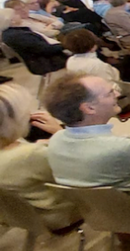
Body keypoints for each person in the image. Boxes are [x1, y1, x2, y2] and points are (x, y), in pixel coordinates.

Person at [44, 74, 130, 227]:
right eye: (109, 93)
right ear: (89, 108)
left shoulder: (55, 141)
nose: (117, 94)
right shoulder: (122, 148)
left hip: (103, 216)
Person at [0, 83, 80, 231]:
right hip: (60, 214)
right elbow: (84, 169)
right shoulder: (30, 155)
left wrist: (42, 146)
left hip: (24, 215)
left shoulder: (18, 149)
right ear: (12, 120)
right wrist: (61, 133)